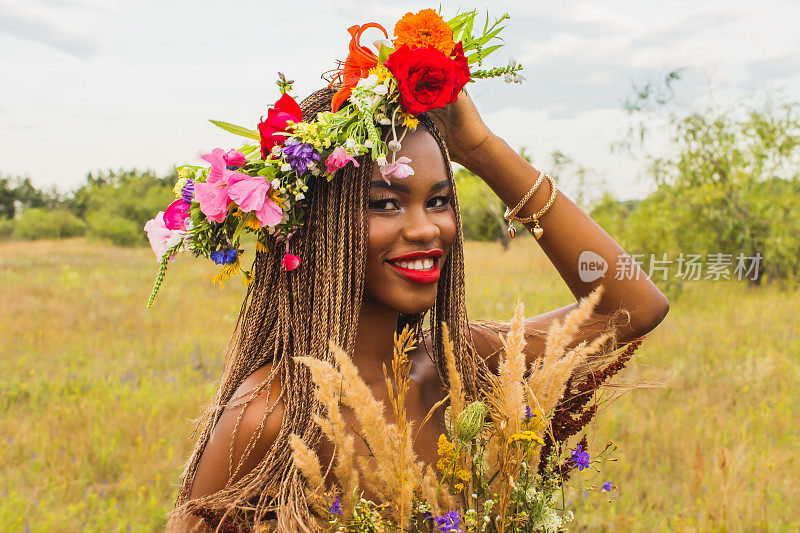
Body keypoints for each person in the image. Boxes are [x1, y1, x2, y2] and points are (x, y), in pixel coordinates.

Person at [167, 86, 669, 532]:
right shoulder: (273, 416)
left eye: (439, 201)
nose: (427, 228)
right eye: (386, 203)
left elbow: (632, 306)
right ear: (317, 223)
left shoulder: (462, 364)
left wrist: (482, 152)